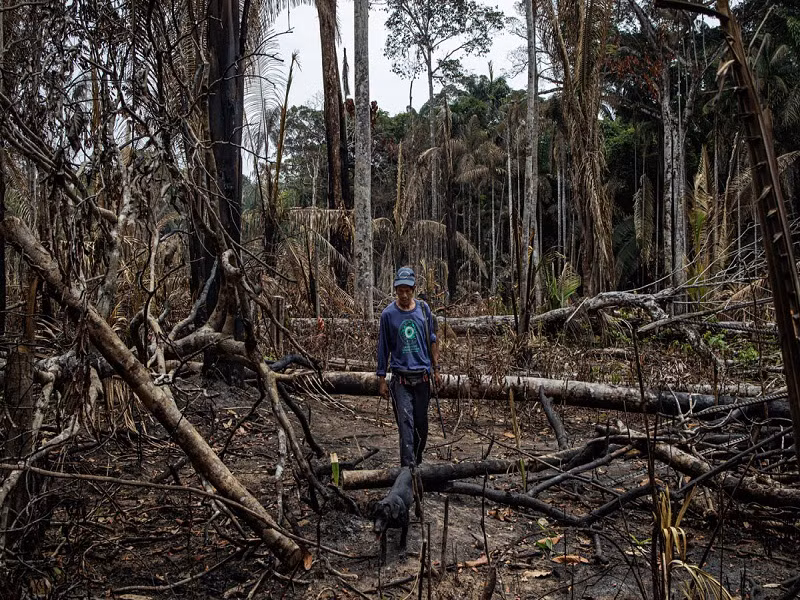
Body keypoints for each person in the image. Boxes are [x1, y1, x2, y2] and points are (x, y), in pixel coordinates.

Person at [376, 267, 442, 467]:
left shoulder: (423, 310)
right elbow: (383, 347)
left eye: (408, 290)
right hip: (400, 380)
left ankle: (416, 463)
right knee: (406, 426)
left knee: (421, 427)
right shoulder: (388, 315)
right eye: (400, 290)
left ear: (414, 289)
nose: (404, 295)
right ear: (395, 289)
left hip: (422, 378)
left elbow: (432, 339)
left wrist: (436, 368)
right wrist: (381, 378)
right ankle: (408, 470)